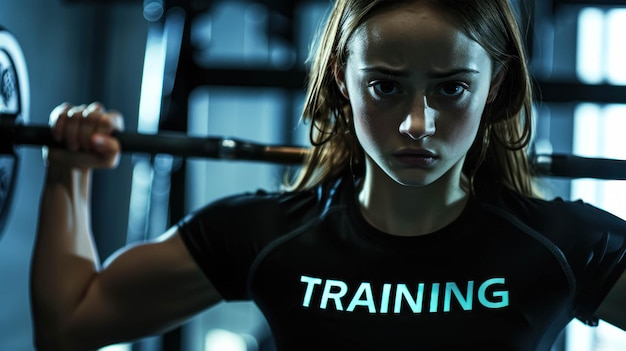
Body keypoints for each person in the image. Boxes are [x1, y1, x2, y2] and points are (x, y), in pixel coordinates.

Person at [30, 0, 626, 350]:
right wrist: (68, 172)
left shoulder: (560, 244)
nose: (417, 124)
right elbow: (71, 320)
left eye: (451, 88)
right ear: (343, 78)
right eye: (386, 85)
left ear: (493, 87)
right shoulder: (270, 236)